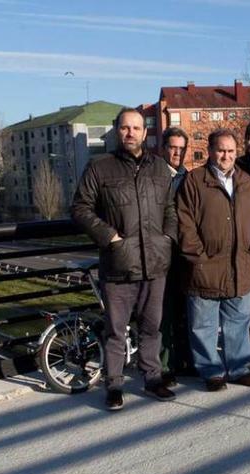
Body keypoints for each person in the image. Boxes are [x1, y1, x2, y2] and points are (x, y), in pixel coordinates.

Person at [71, 108, 177, 411]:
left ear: (145, 133)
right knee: (116, 330)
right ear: (117, 131)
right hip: (118, 264)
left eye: (136, 128)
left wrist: (167, 238)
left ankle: (152, 377)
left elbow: (170, 208)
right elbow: (80, 208)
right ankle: (114, 384)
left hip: (155, 263)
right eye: (125, 128)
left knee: (151, 327)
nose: (131, 133)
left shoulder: (159, 168)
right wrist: (109, 237)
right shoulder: (99, 168)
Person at [176, 129, 250, 391]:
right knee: (203, 324)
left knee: (239, 320)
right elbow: (184, 223)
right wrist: (198, 259)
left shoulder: (246, 182)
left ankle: (238, 368)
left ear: (236, 152)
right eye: (220, 150)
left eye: (230, 151)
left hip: (240, 266)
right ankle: (211, 371)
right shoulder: (195, 181)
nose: (225, 155)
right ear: (210, 151)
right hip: (205, 267)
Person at [158, 126, 193, 381]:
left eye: (182, 149)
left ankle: (186, 360)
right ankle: (165, 365)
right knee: (164, 313)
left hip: (184, 254)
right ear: (163, 148)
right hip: (160, 254)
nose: (177, 153)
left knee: (186, 310)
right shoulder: (153, 176)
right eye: (173, 147)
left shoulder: (189, 178)